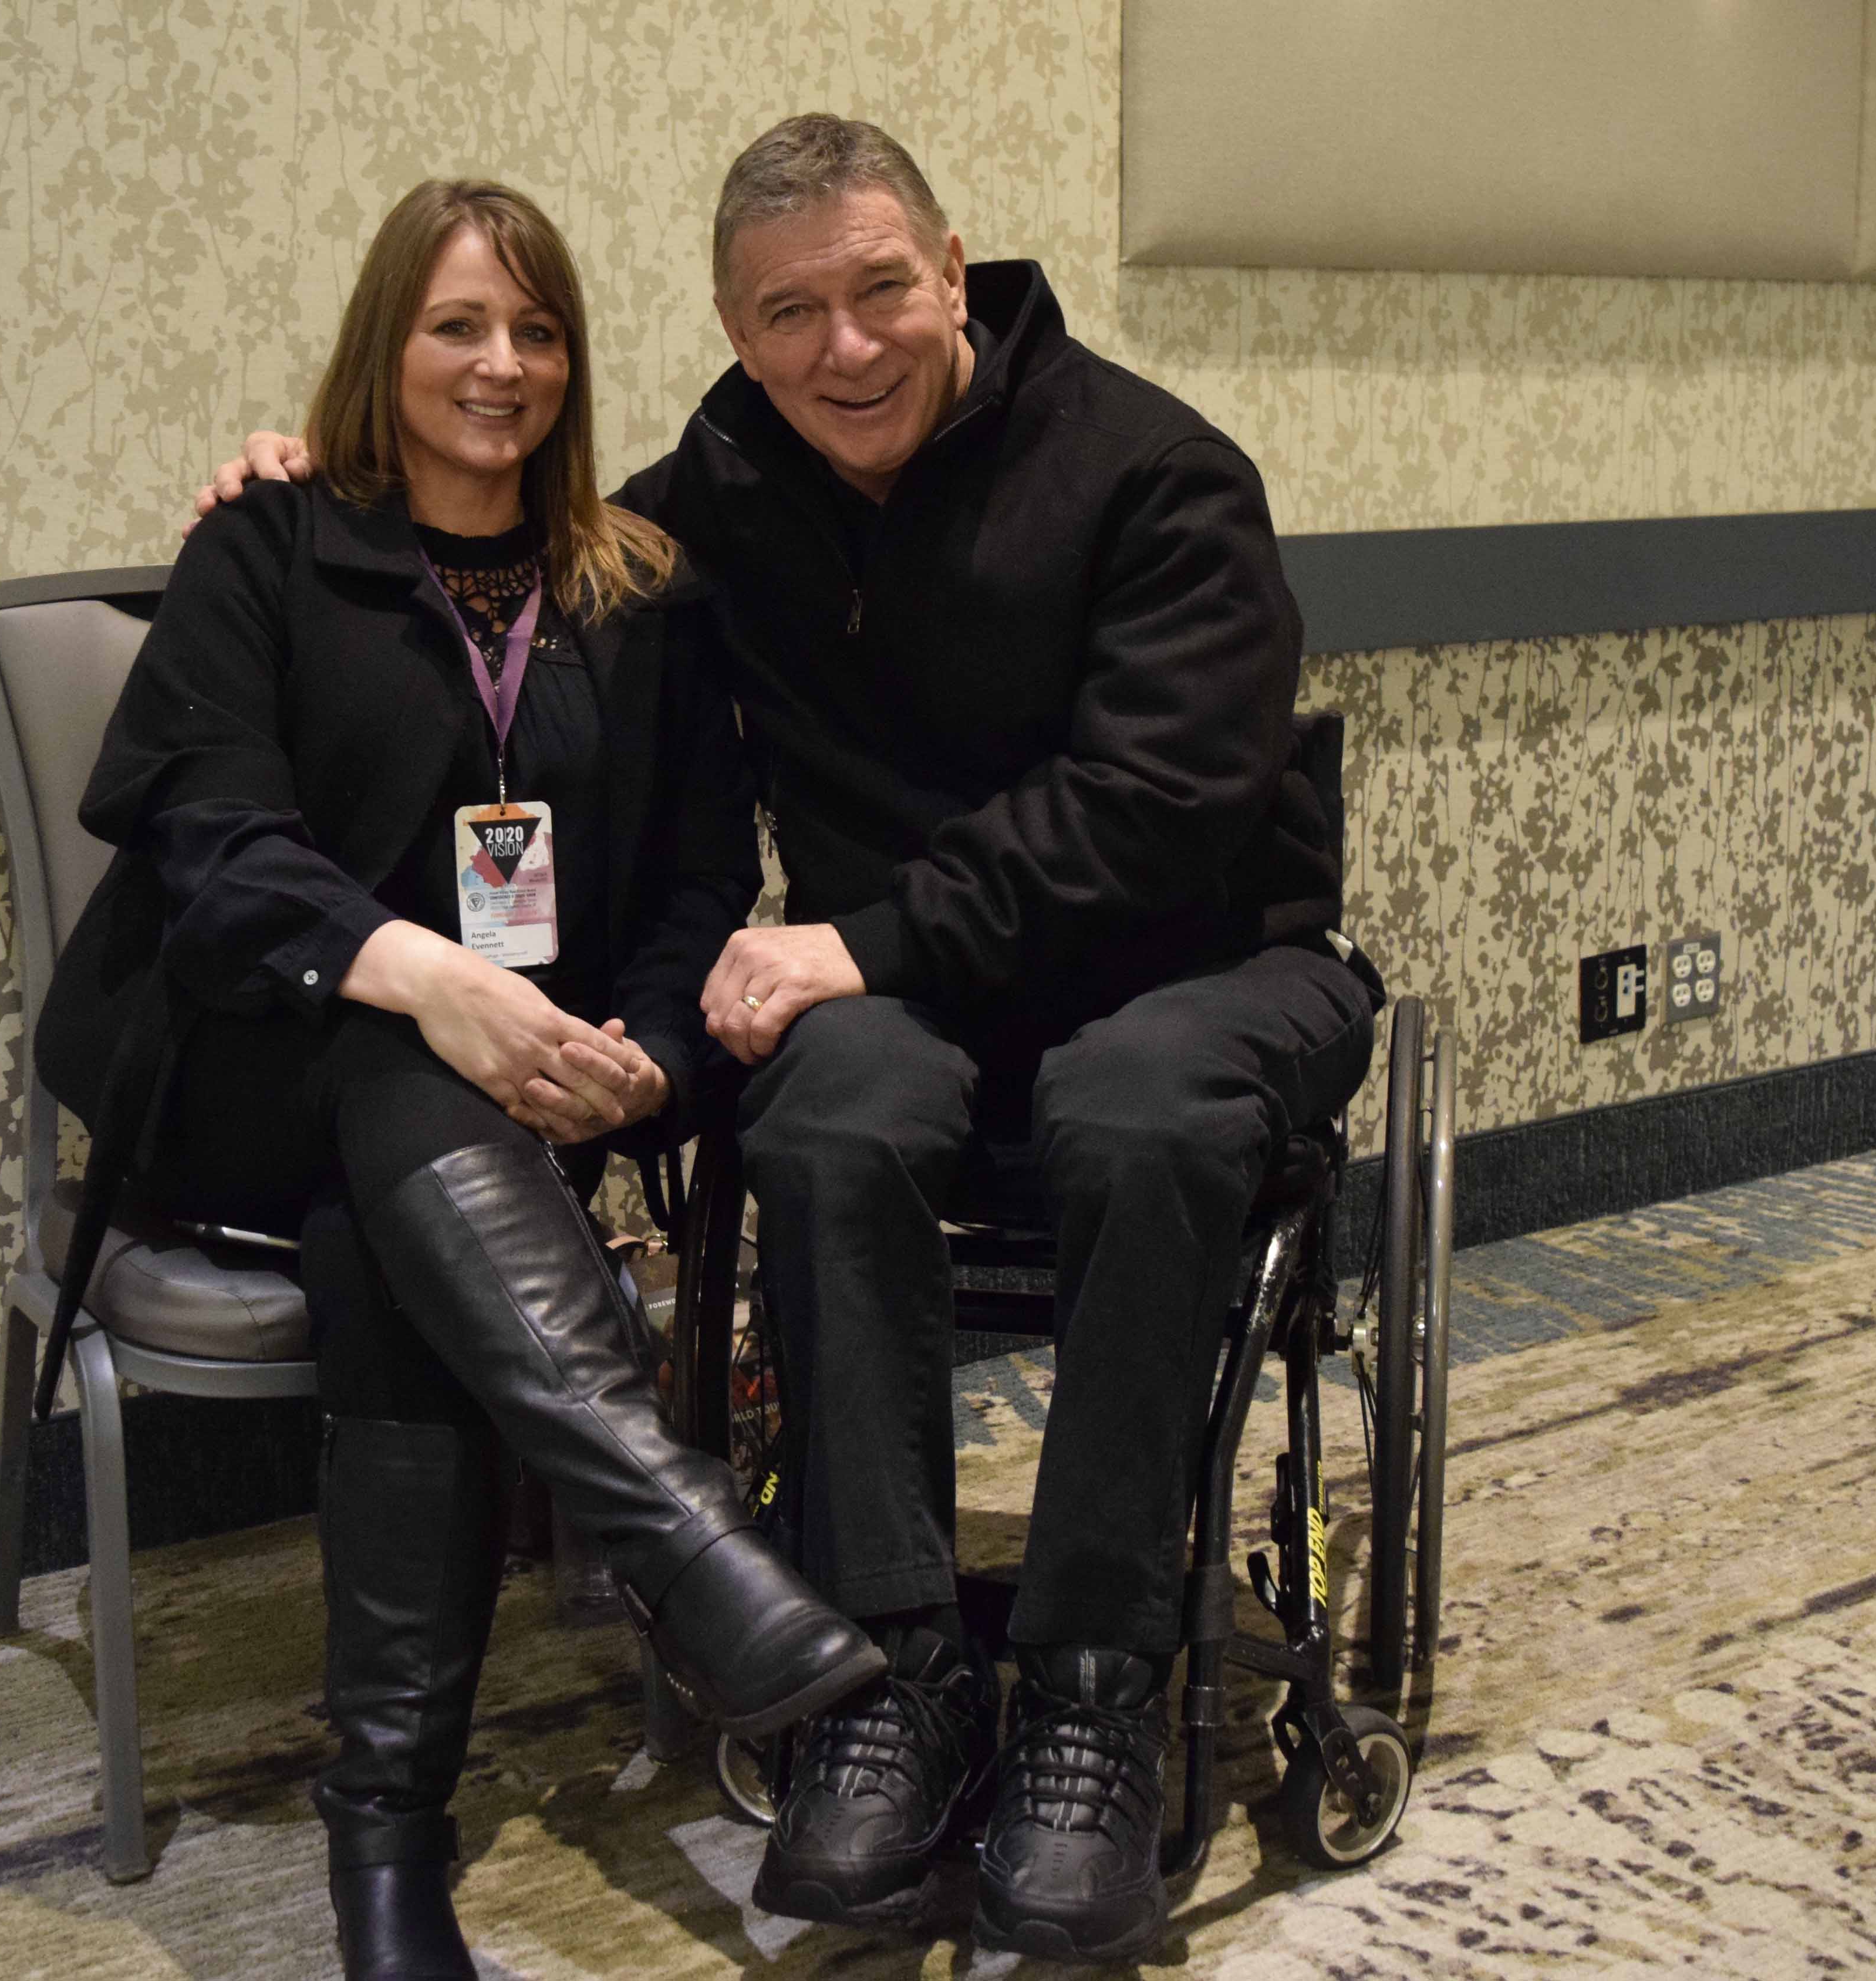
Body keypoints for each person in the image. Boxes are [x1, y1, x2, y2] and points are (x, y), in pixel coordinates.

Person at [198, 118, 1373, 1965]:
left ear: (957, 265)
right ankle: (888, 1679)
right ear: (736, 338)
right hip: (901, 995)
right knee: (818, 1116)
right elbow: (497, 527)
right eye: (788, 313)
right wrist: (308, 484)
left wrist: (865, 936)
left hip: (1204, 959)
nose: (847, 349)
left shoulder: (1155, 469)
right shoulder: (721, 498)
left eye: (882, 289)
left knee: (1135, 1114)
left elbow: (1163, 803)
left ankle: (1087, 1681)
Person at [43, 178, 883, 1981]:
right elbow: (206, 835)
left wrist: (646, 1051)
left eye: (535, 329)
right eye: (455, 327)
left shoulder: (633, 591)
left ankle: (387, 1850)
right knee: (390, 1076)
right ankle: (678, 1531)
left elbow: (686, 878)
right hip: (243, 1072)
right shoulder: (270, 546)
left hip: (488, 1130)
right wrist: (429, 982)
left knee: (390, 1233)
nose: (499, 365)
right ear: (385, 344)